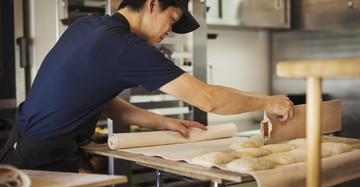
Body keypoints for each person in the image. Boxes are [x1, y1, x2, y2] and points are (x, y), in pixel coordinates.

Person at [0, 0, 294, 173]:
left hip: (25, 146)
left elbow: (101, 101)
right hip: (39, 158)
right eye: (172, 19)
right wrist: (269, 101)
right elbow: (210, 100)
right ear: (152, 3)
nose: (169, 30)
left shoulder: (89, 26)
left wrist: (163, 122)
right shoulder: (128, 47)